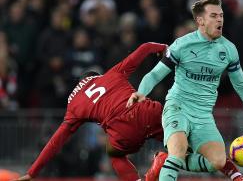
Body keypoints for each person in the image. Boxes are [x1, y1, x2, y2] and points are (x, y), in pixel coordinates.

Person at [127, 0, 243, 181]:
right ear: (200, 21)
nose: (220, 20)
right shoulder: (182, 45)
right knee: (177, 152)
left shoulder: (229, 49)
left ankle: (163, 160)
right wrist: (141, 92)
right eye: (214, 16)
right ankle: (171, 160)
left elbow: (241, 84)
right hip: (178, 107)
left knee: (217, 161)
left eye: (222, 16)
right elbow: (154, 74)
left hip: (203, 115)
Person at [14, 42, 167, 181]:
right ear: (96, 77)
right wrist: (162, 49)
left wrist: (32, 172)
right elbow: (145, 48)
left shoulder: (74, 107)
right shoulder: (111, 74)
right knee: (181, 143)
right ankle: (170, 158)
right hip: (148, 111)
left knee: (115, 154)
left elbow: (55, 142)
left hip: (123, 131)